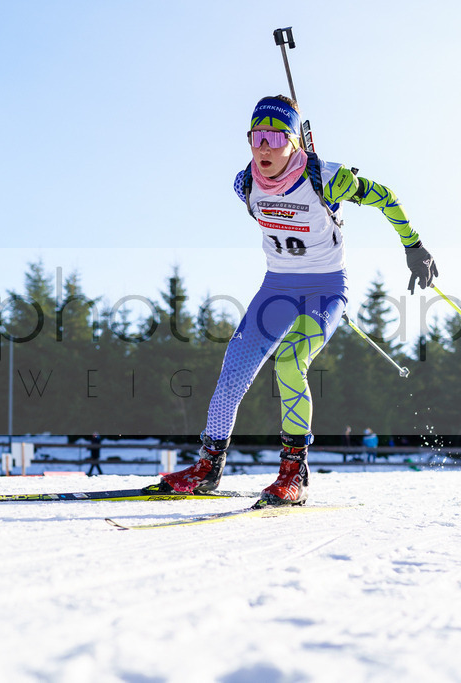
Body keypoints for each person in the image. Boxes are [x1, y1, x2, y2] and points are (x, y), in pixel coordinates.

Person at [157, 95, 438, 505]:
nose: (264, 146)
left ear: (294, 141)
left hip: (324, 290)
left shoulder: (328, 177)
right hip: (277, 288)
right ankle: (208, 467)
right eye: (256, 136)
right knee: (234, 366)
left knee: (290, 361)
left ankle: (294, 472)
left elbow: (386, 196)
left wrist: (413, 245)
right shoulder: (245, 183)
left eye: (274, 136)